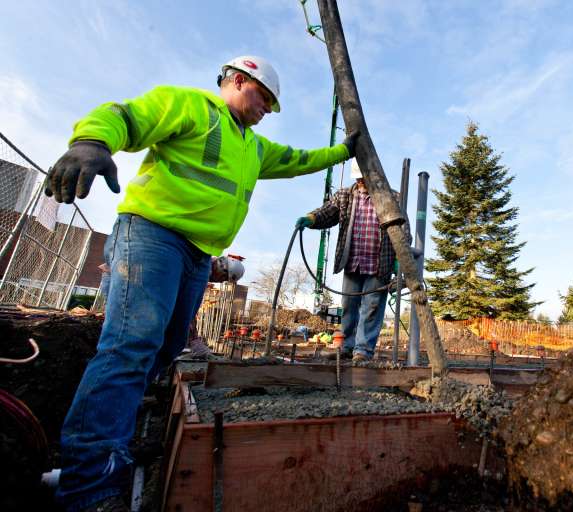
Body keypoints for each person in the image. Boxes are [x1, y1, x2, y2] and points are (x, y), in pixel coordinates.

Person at [44, 55, 358, 512]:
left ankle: (122, 438)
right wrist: (91, 143)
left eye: (271, 104)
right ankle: (88, 483)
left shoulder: (252, 146)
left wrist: (345, 151)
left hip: (195, 254)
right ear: (235, 81)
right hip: (153, 234)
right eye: (262, 97)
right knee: (131, 345)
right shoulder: (190, 106)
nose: (266, 109)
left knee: (169, 346)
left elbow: (298, 160)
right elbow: (124, 116)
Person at [296, 158, 408, 362]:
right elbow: (327, 212)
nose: (361, 182)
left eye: (363, 178)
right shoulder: (345, 195)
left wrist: (399, 260)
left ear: (373, 174)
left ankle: (363, 351)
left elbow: (403, 231)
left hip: (378, 263)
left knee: (372, 306)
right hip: (352, 260)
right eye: (358, 178)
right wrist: (311, 218)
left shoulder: (392, 197)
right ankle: (347, 346)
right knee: (349, 305)